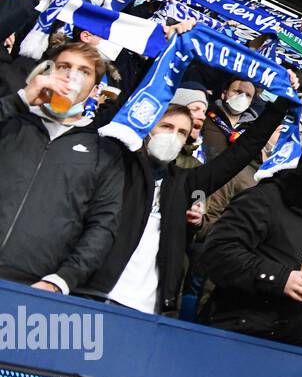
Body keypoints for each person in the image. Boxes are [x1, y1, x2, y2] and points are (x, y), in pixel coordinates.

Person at [91, 96, 288, 313]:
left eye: (182, 132)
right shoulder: (120, 166)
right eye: (166, 126)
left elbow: (241, 153)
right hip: (97, 294)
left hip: (150, 308)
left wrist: (280, 105)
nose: (173, 137)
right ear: (148, 127)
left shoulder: (186, 183)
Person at [195, 128, 302, 348]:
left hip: (298, 351)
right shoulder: (266, 199)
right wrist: (280, 278)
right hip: (239, 343)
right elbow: (217, 253)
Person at [0, 40, 123, 294]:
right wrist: (21, 99)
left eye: (84, 72)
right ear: (48, 73)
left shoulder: (104, 150)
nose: (71, 76)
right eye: (64, 67)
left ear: (94, 90)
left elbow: (103, 225)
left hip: (32, 286)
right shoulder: (12, 120)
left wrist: (62, 280)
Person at [201, 78, 258, 159]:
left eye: (248, 95)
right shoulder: (202, 116)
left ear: (251, 102)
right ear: (223, 94)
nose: (242, 97)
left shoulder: (253, 129)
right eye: (238, 91)